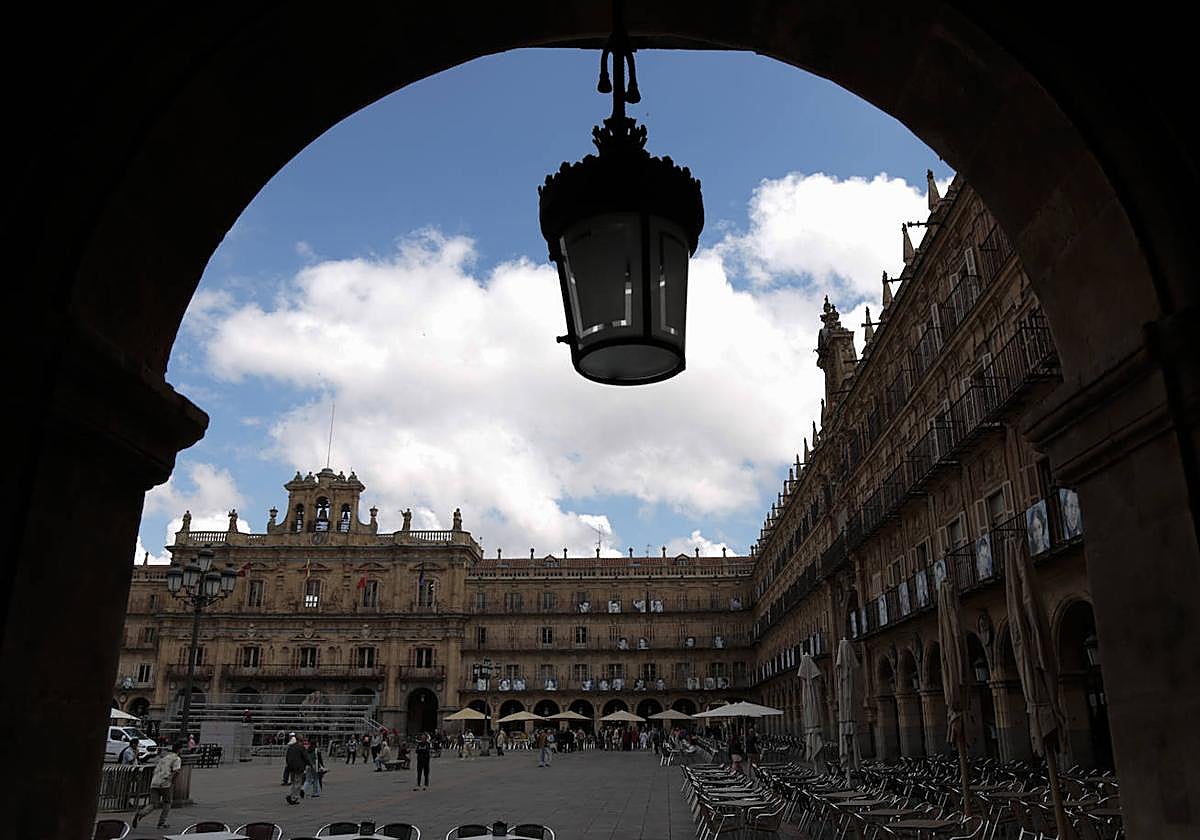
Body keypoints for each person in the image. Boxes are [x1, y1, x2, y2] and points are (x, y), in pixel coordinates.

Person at [132, 742, 182, 829]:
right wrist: (171, 781)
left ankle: (141, 813)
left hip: (155, 782)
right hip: (165, 783)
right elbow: (176, 771)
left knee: (153, 804)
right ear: (179, 750)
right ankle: (161, 822)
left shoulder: (164, 758)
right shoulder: (176, 759)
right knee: (167, 802)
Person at [284, 733, 312, 805]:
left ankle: (293, 796)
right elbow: (306, 757)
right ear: (301, 740)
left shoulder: (291, 747)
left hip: (291, 767)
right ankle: (292, 796)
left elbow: (287, 757)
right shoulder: (301, 747)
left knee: (293, 782)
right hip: (299, 768)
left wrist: (288, 764)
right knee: (298, 783)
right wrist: (310, 764)